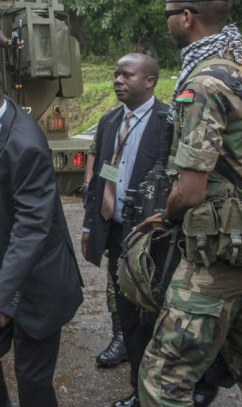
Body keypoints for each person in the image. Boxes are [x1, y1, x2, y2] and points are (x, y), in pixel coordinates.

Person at [138, 0, 242, 405]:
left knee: (162, 377)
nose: (167, 23)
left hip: (218, 259)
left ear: (186, 17)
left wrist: (165, 215)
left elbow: (190, 191)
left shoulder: (202, 86)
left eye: (169, 15)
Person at [0, 61, 83, 407]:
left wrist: (4, 294)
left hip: (37, 279)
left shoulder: (26, 146)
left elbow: (32, 228)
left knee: (32, 379)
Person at [82, 54, 169, 407]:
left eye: (127, 75)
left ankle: (167, 388)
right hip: (118, 235)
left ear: (149, 81)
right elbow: (102, 175)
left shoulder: (168, 121)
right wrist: (91, 223)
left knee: (157, 318)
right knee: (129, 317)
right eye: (116, 74)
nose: (118, 80)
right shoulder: (109, 121)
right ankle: (138, 390)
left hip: (154, 240)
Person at [82, 147, 129, 369]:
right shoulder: (113, 121)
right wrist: (89, 184)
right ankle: (121, 337)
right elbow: (96, 151)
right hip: (115, 212)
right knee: (115, 279)